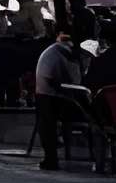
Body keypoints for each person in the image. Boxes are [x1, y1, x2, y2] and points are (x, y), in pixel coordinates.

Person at [33, 22, 88, 169]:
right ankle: (52, 155)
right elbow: (71, 82)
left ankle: (52, 155)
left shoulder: (56, 50)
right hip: (53, 97)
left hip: (48, 97)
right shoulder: (64, 53)